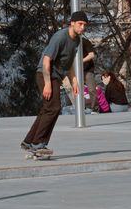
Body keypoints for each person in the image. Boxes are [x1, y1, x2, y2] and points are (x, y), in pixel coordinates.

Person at [21, 11, 88, 152]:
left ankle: (28, 141)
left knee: (48, 108)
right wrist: (47, 84)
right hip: (45, 73)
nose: (82, 28)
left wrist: (74, 81)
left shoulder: (77, 40)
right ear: (72, 23)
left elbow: (67, 64)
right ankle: (38, 143)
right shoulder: (60, 37)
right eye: (80, 24)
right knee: (54, 107)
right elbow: (46, 60)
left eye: (84, 25)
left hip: (56, 76)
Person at [82, 37, 99, 115]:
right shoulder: (70, 42)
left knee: (91, 88)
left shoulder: (85, 41)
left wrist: (81, 61)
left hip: (87, 69)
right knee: (75, 88)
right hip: (75, 70)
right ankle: (80, 107)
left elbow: (91, 55)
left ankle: (94, 108)